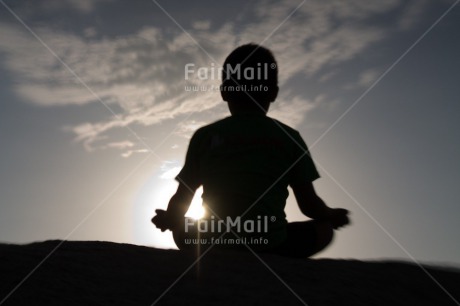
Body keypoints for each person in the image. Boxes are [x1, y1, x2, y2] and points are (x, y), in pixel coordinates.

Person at [152, 43, 350, 258]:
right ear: (273, 93)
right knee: (324, 230)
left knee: (182, 227)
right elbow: (309, 205)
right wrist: (331, 215)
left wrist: (170, 218)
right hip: (269, 244)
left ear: (224, 92)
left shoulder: (205, 135)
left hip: (209, 242)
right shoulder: (289, 137)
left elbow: (183, 197)